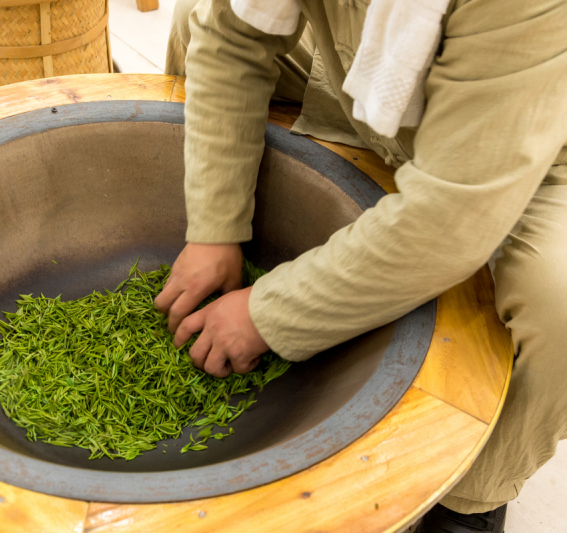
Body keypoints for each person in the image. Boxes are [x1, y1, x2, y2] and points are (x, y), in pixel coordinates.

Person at [153, 0, 567, 531]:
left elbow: (450, 220)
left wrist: (266, 315)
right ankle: (221, 257)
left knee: (557, 306)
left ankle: (468, 501)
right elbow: (234, 40)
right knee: (195, 20)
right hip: (374, 68)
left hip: (535, 135)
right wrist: (215, 230)